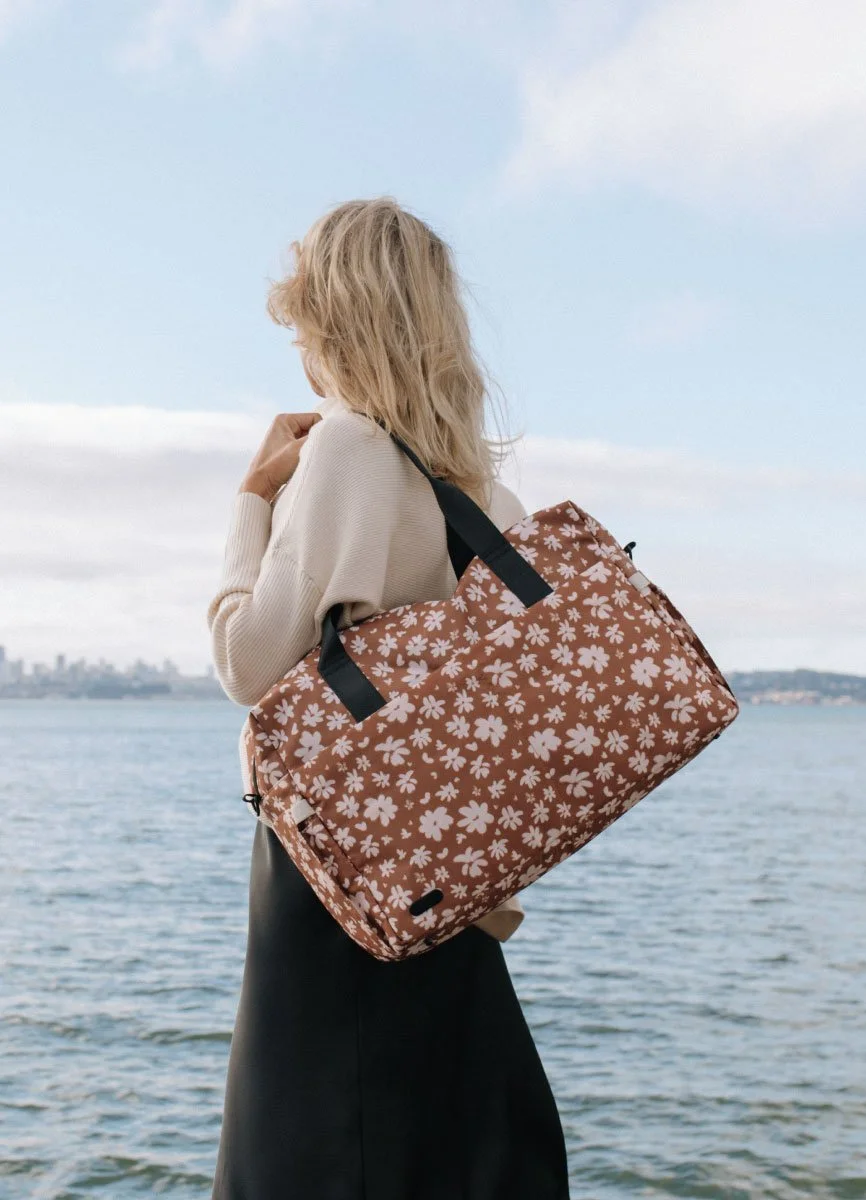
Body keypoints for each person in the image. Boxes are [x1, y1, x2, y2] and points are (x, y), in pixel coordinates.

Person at [206, 196, 571, 1199]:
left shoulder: (347, 451)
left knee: (306, 1159)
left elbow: (247, 661)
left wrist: (252, 500)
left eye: (303, 323)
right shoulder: (489, 498)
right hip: (451, 892)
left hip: (336, 882)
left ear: (334, 322)